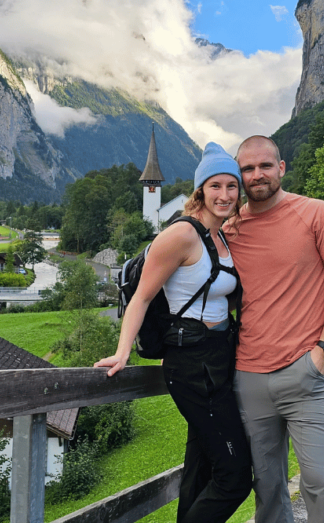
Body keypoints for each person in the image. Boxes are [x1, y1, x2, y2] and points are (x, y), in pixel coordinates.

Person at [95, 142, 252, 523]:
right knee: (234, 477)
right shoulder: (180, 236)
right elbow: (142, 297)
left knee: (200, 470)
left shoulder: (221, 236)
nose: (225, 195)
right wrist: (122, 351)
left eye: (232, 187)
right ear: (200, 190)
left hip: (219, 359)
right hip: (192, 365)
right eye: (216, 186)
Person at [226, 135, 324, 523]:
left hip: (307, 373)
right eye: (247, 168)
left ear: (281, 168)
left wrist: (323, 352)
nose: (257, 175)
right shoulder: (230, 230)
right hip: (249, 377)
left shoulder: (317, 213)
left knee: (323, 481)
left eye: (265, 165)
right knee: (267, 490)